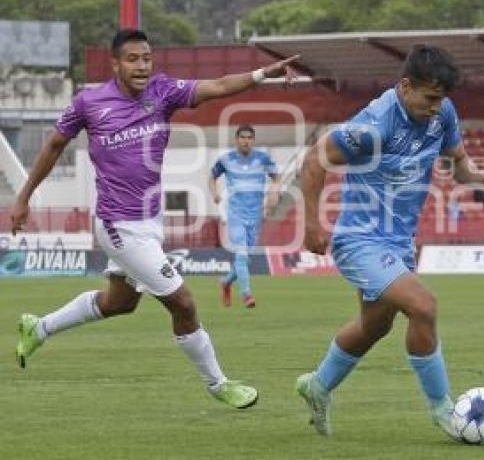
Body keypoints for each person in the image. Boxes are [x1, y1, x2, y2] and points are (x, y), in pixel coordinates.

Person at [10, 28, 299, 409]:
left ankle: (40, 327)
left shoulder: (163, 92)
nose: (142, 65)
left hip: (149, 221)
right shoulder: (89, 102)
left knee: (119, 303)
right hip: (118, 225)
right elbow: (53, 145)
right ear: (115, 64)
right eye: (133, 59)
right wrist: (25, 196)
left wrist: (262, 74)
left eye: (147, 58)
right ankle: (218, 384)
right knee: (183, 302)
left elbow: (218, 85)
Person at [295, 44, 484, 438]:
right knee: (423, 306)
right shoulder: (375, 124)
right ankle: (444, 410)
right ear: (406, 86)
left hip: (399, 242)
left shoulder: (442, 114)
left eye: (443, 99)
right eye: (431, 97)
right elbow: (315, 159)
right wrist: (312, 225)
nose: (437, 107)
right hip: (359, 240)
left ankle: (317, 386)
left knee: (374, 326)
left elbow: (460, 165)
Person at [209, 124, 282, 308]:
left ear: (253, 140)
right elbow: (212, 177)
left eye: (249, 138)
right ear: (236, 140)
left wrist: (274, 191)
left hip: (255, 214)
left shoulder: (263, 158)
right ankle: (246, 295)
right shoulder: (226, 159)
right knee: (241, 256)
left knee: (245, 259)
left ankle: (226, 282)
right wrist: (214, 193)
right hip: (235, 214)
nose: (246, 141)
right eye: (242, 137)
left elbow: (276, 177)